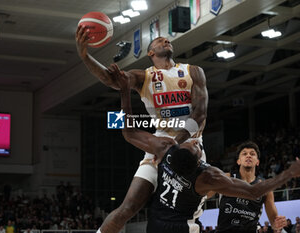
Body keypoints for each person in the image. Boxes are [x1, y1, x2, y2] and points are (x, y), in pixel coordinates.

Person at [116, 71, 300, 233]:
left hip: (157, 223)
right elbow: (251, 191)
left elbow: (128, 132)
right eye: (196, 147)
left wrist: (125, 91)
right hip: (184, 227)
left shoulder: (167, 150)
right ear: (198, 163)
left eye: (252, 154)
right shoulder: (209, 177)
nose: (196, 143)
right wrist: (290, 173)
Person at [76, 26, 208, 233]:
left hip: (191, 147)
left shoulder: (193, 71)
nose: (166, 40)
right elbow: (113, 80)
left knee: (184, 214)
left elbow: (199, 114)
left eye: (167, 40)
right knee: (128, 207)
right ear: (150, 53)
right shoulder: (144, 77)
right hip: (158, 147)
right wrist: (85, 56)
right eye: (160, 41)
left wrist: (176, 145)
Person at [214, 141, 287, 233]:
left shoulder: (265, 188)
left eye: (252, 154)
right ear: (238, 161)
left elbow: (274, 223)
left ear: (257, 162)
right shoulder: (226, 178)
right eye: (244, 154)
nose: (248, 155)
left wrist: (278, 224)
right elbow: (204, 194)